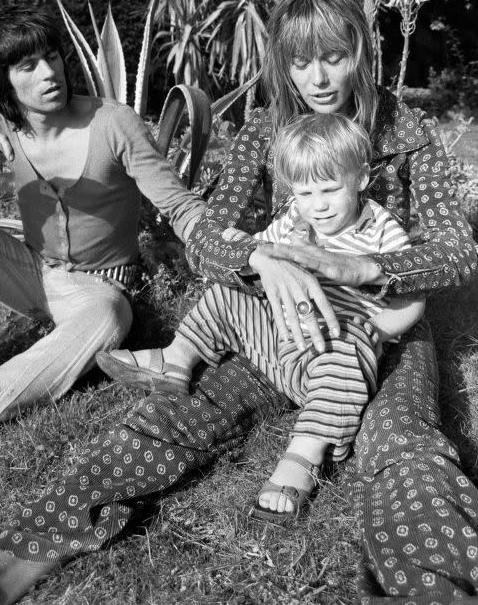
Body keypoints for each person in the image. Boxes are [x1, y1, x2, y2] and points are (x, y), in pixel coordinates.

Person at [0, 0, 478, 605]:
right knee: (161, 421)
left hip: (378, 335)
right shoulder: (267, 133)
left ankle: (448, 591)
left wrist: (353, 268)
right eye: (299, 60)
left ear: (361, 55)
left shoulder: (408, 134)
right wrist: (263, 257)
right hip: (271, 328)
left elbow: (456, 251)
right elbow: (210, 236)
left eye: (334, 57)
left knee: (402, 442)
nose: (316, 79)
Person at [0, 6, 205, 477]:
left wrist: (235, 246)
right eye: (27, 66)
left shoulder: (113, 123)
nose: (50, 74)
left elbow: (178, 203)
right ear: (1, 82)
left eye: (52, 57)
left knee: (111, 313)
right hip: (29, 271)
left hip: (99, 288)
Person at [97, 112, 425, 522]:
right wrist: (244, 243)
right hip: (277, 343)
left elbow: (413, 298)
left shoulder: (382, 230)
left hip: (330, 360)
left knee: (344, 351)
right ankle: (177, 359)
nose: (318, 205)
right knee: (227, 292)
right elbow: (261, 249)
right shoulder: (294, 219)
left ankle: (305, 452)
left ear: (360, 179)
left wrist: (373, 332)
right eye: (305, 193)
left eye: (329, 189)